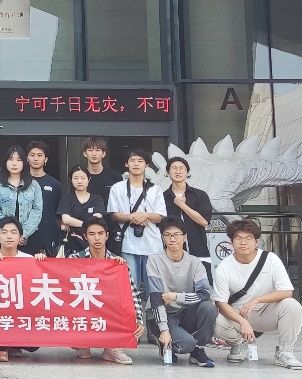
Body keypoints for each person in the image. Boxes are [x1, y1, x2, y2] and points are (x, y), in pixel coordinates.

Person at [212, 219, 302, 370]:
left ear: (256, 241)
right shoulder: (224, 267)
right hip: (239, 314)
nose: (243, 242)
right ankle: (239, 344)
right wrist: (242, 322)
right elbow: (220, 303)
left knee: (293, 306)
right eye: (238, 238)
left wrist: (258, 300)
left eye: (248, 238)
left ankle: (285, 351)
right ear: (231, 242)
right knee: (213, 319)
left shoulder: (271, 259)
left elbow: (287, 291)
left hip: (267, 312)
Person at [69, 217, 146, 365]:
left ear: (107, 235)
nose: (97, 238)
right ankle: (82, 344)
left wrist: (139, 320)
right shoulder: (75, 259)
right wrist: (42, 260)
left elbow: (132, 293)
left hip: (108, 311)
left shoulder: (118, 262)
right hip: (84, 310)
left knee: (120, 305)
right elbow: (60, 286)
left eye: (100, 233)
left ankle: (112, 347)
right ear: (85, 236)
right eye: (91, 234)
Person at [147, 218, 217, 368]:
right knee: (186, 344)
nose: (172, 239)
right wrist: (164, 330)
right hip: (162, 315)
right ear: (163, 238)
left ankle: (197, 350)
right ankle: (165, 342)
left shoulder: (194, 262)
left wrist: (176, 297)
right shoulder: (154, 260)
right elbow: (156, 298)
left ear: (185, 237)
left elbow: (205, 293)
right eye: (167, 235)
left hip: (185, 312)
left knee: (208, 308)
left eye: (176, 234)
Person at [0, 216, 48, 362]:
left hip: (20, 309)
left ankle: (13, 344)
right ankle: (0, 347)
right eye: (4, 232)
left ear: (20, 237)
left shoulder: (29, 259)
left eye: (13, 232)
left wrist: (41, 263)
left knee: (34, 338)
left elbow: (38, 288)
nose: (9, 236)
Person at [108, 149, 166, 292]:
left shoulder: (155, 189)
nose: (136, 164)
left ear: (147, 165)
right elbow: (113, 215)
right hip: (127, 244)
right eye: (132, 160)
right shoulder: (117, 188)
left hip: (152, 244)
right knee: (130, 288)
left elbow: (160, 216)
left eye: (140, 161)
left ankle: (152, 308)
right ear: (126, 164)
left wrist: (144, 215)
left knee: (153, 289)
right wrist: (133, 217)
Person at [163, 156, 215, 282]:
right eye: (174, 168)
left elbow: (204, 221)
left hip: (198, 249)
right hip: (171, 253)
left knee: (202, 286)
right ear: (168, 172)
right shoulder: (162, 197)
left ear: (187, 172)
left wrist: (182, 205)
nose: (178, 171)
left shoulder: (200, 195)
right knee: (175, 288)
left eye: (182, 168)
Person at [0, 146, 44, 254]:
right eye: (10, 159)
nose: (14, 163)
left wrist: (23, 234)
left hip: (27, 238)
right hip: (4, 239)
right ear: (5, 162)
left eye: (19, 160)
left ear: (24, 162)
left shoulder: (34, 186)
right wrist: (8, 232)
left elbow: (37, 211)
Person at [56, 165, 105, 256]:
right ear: (71, 180)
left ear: (89, 179)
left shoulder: (97, 199)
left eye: (83, 178)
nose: (79, 181)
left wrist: (74, 222)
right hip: (71, 243)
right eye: (76, 178)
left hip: (92, 243)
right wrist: (86, 224)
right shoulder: (67, 198)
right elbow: (66, 219)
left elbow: (97, 218)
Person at [26, 140, 64, 256]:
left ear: (46, 159)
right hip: (25, 237)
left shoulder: (55, 184)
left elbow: (59, 214)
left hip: (48, 237)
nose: (35, 158)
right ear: (27, 158)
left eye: (39, 155)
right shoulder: (20, 182)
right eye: (32, 155)